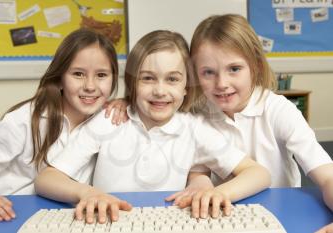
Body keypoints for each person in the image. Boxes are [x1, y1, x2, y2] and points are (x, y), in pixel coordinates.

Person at [35, 30, 270, 224]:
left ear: (187, 85)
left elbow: (258, 174)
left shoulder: (194, 129)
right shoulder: (110, 120)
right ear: (132, 83)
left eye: (172, 79)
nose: (160, 90)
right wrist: (87, 192)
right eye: (147, 78)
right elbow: (46, 179)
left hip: (170, 224)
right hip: (109, 223)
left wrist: (218, 193)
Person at [187, 14, 333, 232]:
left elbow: (327, 175)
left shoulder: (278, 109)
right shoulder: (198, 115)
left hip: (281, 214)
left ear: (254, 66)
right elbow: (199, 170)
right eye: (208, 72)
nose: (222, 83)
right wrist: (201, 183)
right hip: (226, 215)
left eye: (234, 69)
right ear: (196, 73)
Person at [0, 28, 119, 222]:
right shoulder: (26, 119)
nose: (90, 86)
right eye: (78, 74)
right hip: (13, 215)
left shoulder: (107, 119)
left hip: (69, 217)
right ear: (60, 79)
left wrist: (125, 102)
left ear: (113, 79)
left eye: (101, 75)